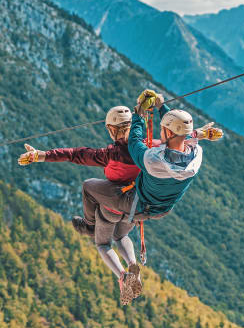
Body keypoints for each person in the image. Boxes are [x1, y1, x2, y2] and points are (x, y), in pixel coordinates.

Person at [19, 99, 222, 305]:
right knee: (121, 235)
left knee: (101, 239)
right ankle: (132, 263)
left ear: (111, 130)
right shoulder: (152, 148)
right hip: (137, 209)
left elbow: (75, 154)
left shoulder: (111, 154)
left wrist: (41, 155)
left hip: (114, 207)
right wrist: (201, 134)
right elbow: (176, 139)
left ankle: (117, 267)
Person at [78, 89, 222, 304]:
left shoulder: (153, 160)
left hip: (137, 203)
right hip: (161, 209)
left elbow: (135, 141)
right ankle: (132, 265)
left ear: (168, 132)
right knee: (121, 236)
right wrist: (162, 107)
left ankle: (120, 272)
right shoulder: (196, 156)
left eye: (163, 128)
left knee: (94, 207)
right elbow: (185, 137)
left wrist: (139, 113)